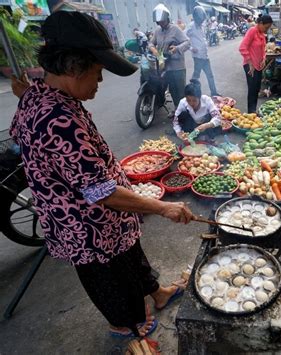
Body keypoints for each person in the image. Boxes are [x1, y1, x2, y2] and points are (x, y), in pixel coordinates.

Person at [10, 11, 194, 338]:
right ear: (71, 68)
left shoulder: (40, 92)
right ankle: (124, 326)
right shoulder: (58, 120)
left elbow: (23, 92)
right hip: (85, 225)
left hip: (111, 217)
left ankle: (157, 293)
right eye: (97, 73)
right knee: (109, 277)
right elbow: (102, 193)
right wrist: (163, 207)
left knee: (131, 252)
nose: (99, 82)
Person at [149, 4, 190, 117]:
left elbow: (187, 42)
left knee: (180, 90)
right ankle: (177, 109)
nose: (161, 23)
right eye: (159, 22)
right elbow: (151, 42)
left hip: (178, 66)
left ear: (167, 18)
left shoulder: (175, 29)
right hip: (165, 66)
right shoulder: (157, 31)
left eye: (162, 21)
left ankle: (184, 113)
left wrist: (177, 49)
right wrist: (153, 49)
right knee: (172, 90)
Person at [239, 14, 273, 113]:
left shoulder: (261, 34)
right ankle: (251, 113)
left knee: (257, 89)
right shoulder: (252, 31)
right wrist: (250, 62)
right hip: (250, 66)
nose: (267, 30)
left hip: (258, 66)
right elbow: (242, 48)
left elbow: (263, 49)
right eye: (266, 27)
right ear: (261, 23)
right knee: (252, 90)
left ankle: (253, 111)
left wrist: (263, 59)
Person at [187, 6, 220, 97]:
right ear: (196, 18)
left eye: (202, 20)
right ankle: (191, 94)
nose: (201, 21)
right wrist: (191, 48)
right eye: (200, 20)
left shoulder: (202, 25)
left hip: (204, 55)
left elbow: (202, 38)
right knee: (196, 77)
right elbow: (183, 39)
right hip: (197, 56)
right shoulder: (191, 26)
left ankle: (214, 93)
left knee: (210, 75)